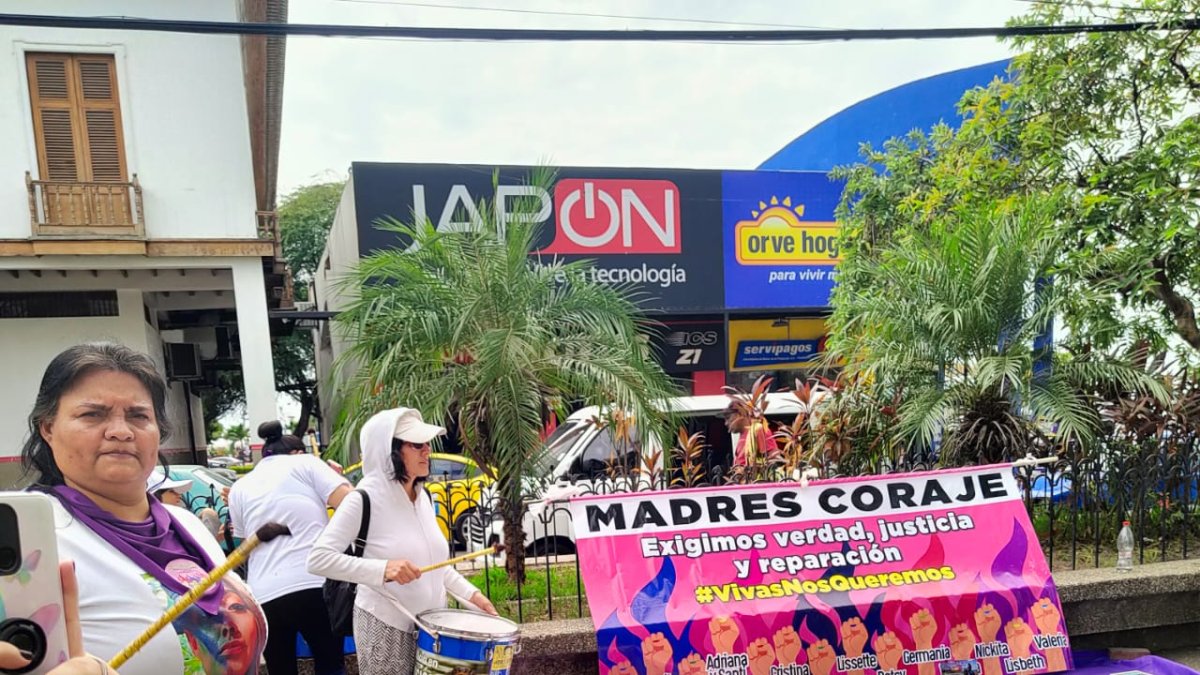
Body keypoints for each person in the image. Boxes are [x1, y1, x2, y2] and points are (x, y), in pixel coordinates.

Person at [10, 342, 268, 675]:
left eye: (138, 415)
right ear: (48, 428)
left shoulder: (185, 524)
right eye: (92, 414)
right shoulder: (34, 541)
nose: (120, 431)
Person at [308, 408, 497, 675]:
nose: (426, 451)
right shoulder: (363, 499)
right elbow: (318, 559)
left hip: (432, 630)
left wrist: (472, 596)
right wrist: (383, 569)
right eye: (417, 445)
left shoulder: (424, 497)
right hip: (384, 626)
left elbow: (437, 565)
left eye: (427, 444)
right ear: (390, 451)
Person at [228, 421, 351, 675]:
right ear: (295, 452)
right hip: (315, 583)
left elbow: (244, 545)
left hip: (264, 595)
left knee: (281, 668)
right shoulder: (306, 463)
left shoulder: (240, 487)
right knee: (330, 663)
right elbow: (352, 504)